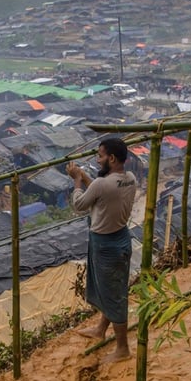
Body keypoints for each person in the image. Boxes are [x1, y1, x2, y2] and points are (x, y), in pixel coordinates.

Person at [66, 137, 138, 363]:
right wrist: (85, 177)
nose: (97, 160)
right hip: (121, 239)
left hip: (105, 245)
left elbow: (79, 204)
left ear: (112, 158)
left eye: (100, 156)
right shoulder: (129, 178)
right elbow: (100, 192)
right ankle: (100, 330)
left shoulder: (102, 184)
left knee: (114, 295)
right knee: (111, 289)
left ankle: (123, 349)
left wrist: (77, 181)